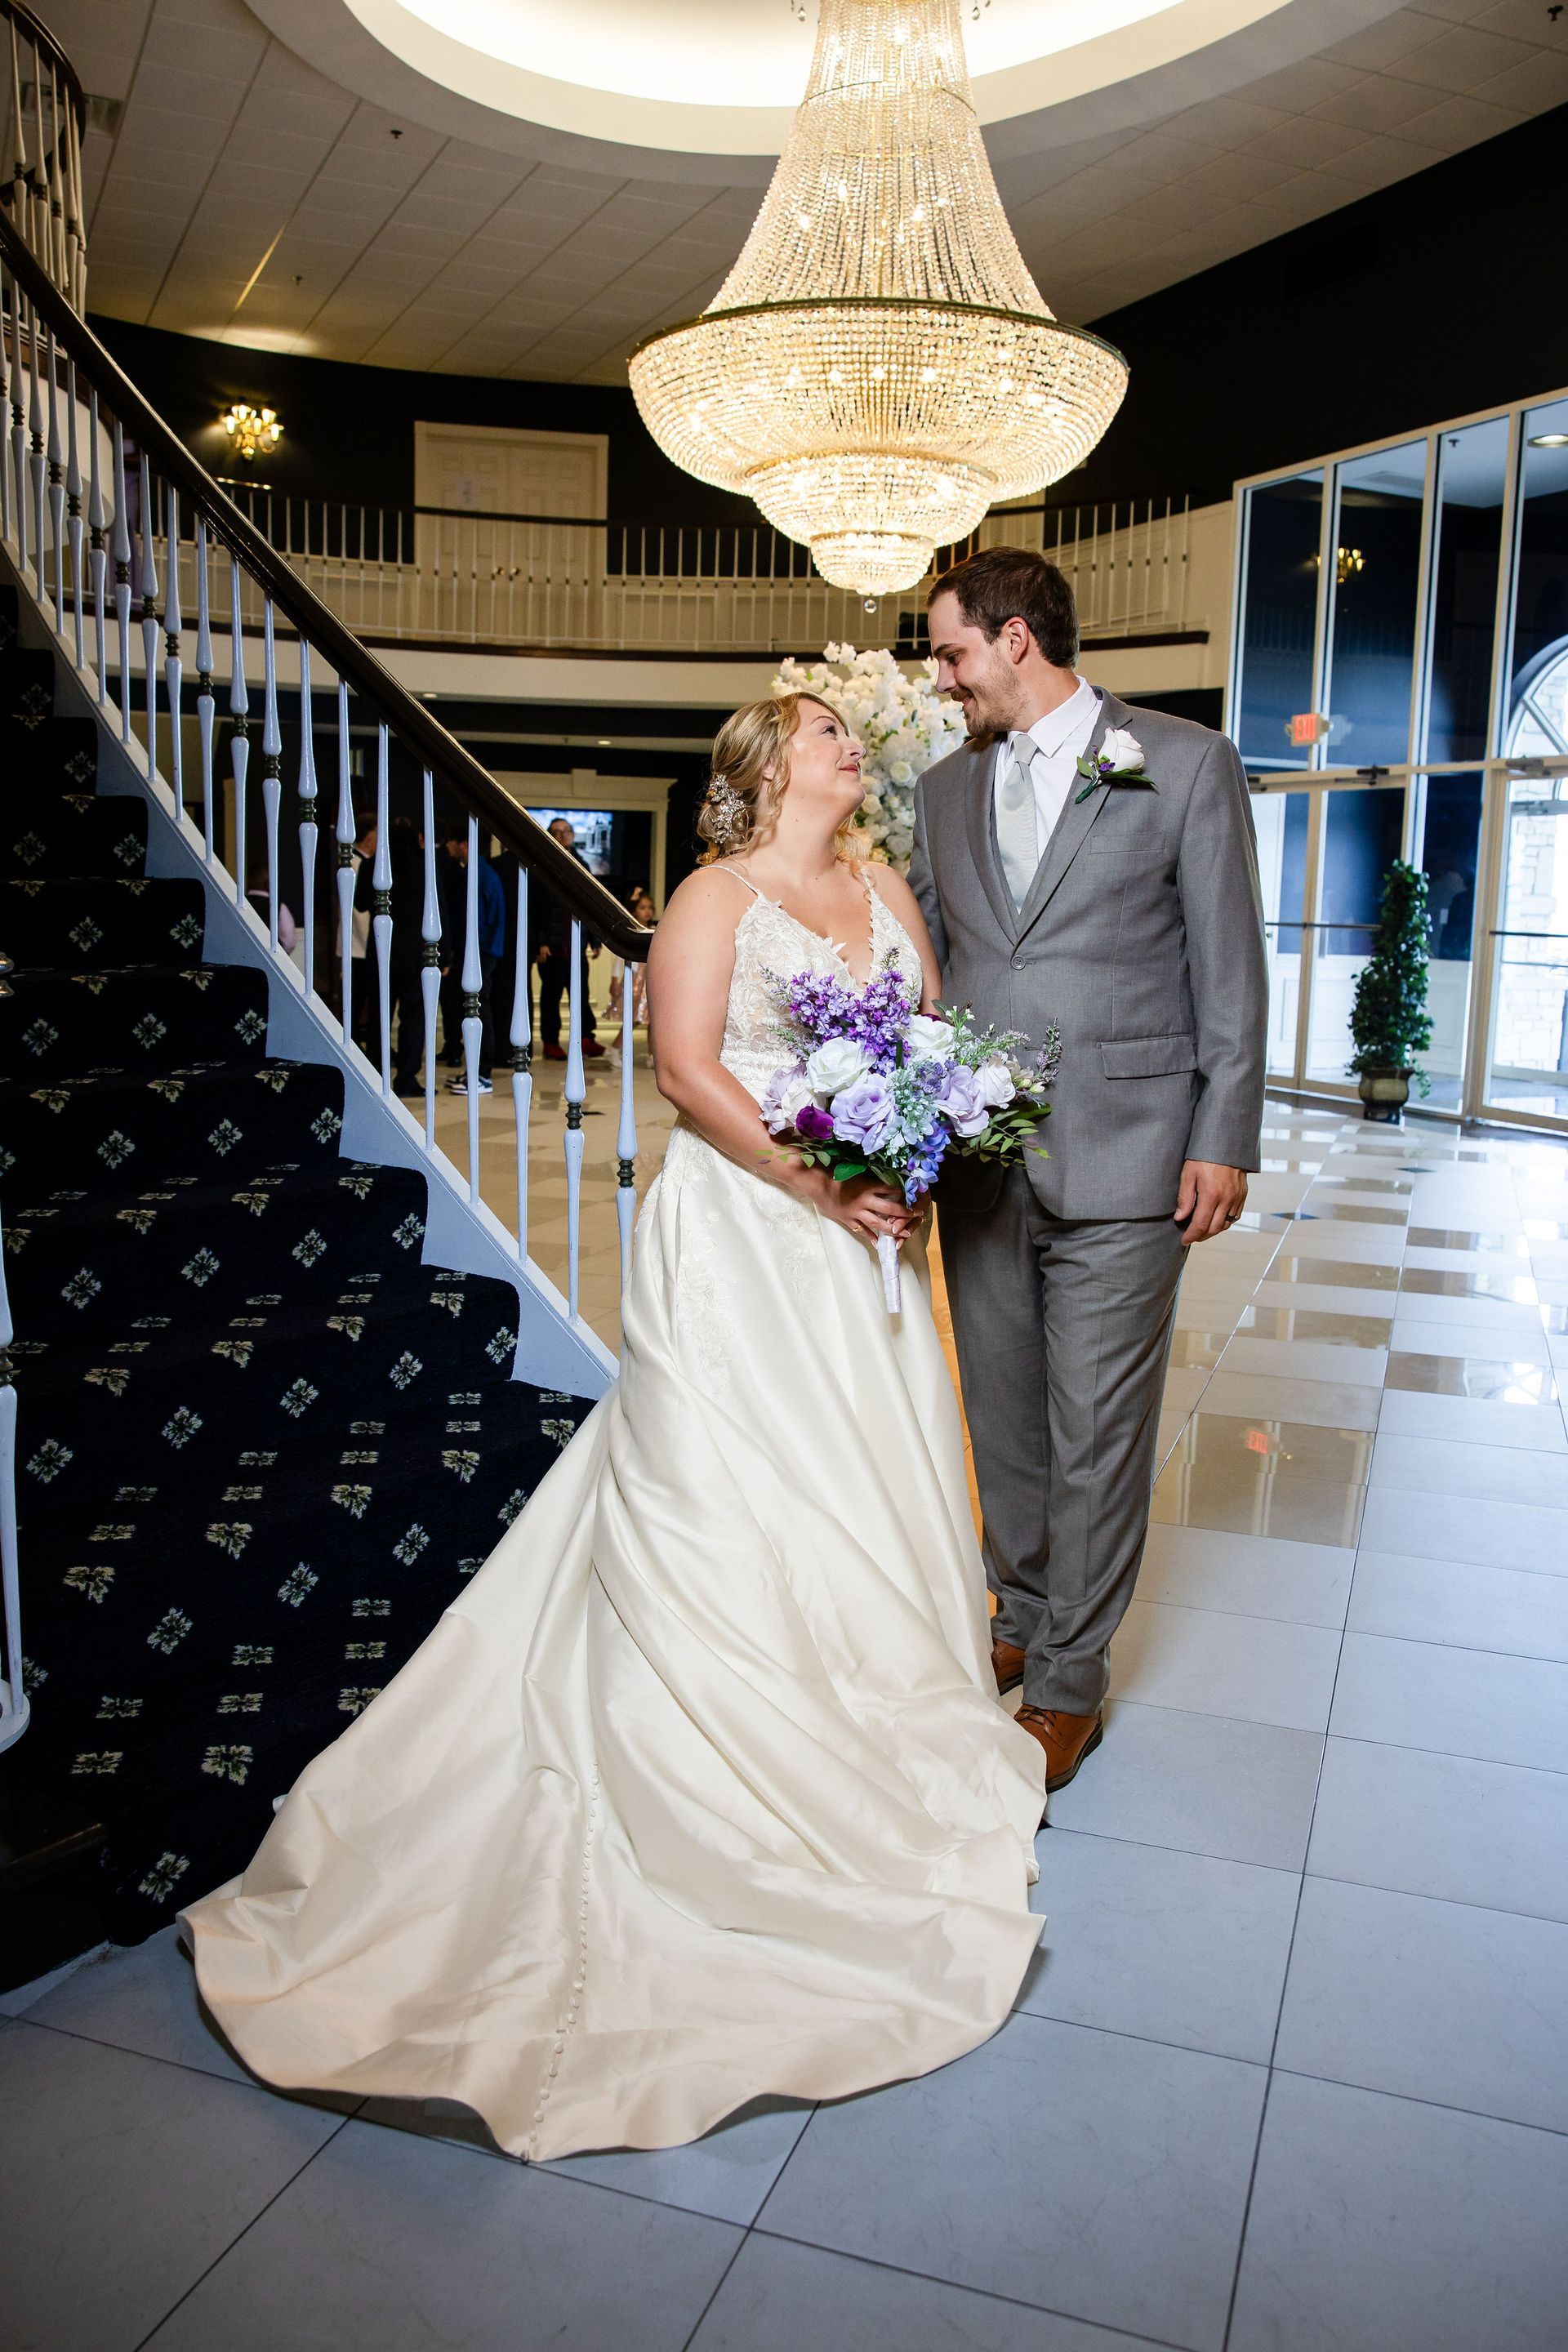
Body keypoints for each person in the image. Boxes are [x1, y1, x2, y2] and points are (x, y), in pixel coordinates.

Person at [184, 692, 1046, 2162]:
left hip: (868, 1237)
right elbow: (690, 1072)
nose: (855, 751)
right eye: (833, 733)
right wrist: (818, 1184)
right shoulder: (714, 896)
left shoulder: (887, 885)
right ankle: (726, 1732)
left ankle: (874, 1700)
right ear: (772, 767)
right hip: (756, 1225)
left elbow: (925, 1037)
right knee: (738, 1473)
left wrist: (912, 1138)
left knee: (872, 1466)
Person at [911, 546, 1267, 1795]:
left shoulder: (1181, 762)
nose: (941, 677)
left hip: (1131, 1151)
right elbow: (935, 956)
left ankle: (1071, 1682)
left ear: (1017, 638)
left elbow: (1230, 962)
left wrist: (1226, 1132)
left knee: (1097, 1429)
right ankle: (1019, 1612)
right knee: (1002, 1414)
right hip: (982, 1158)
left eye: (951, 650)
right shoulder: (944, 792)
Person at [438, 821, 506, 1096]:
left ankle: (481, 1075)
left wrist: (458, 955)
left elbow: (473, 922)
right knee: (477, 1011)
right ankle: (476, 1073)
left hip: (478, 953)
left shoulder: (476, 876)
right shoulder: (482, 873)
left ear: (463, 844)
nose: (449, 849)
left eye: (451, 844)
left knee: (478, 1012)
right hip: (483, 951)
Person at [532, 815, 606, 1062]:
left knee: (581, 996)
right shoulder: (541, 866)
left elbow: (591, 906)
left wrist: (595, 941)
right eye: (555, 831)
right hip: (552, 949)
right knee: (550, 999)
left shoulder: (582, 866)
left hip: (576, 947)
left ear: (572, 836)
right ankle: (551, 1043)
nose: (561, 836)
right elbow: (537, 909)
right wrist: (540, 941)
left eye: (565, 831)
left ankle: (585, 1039)